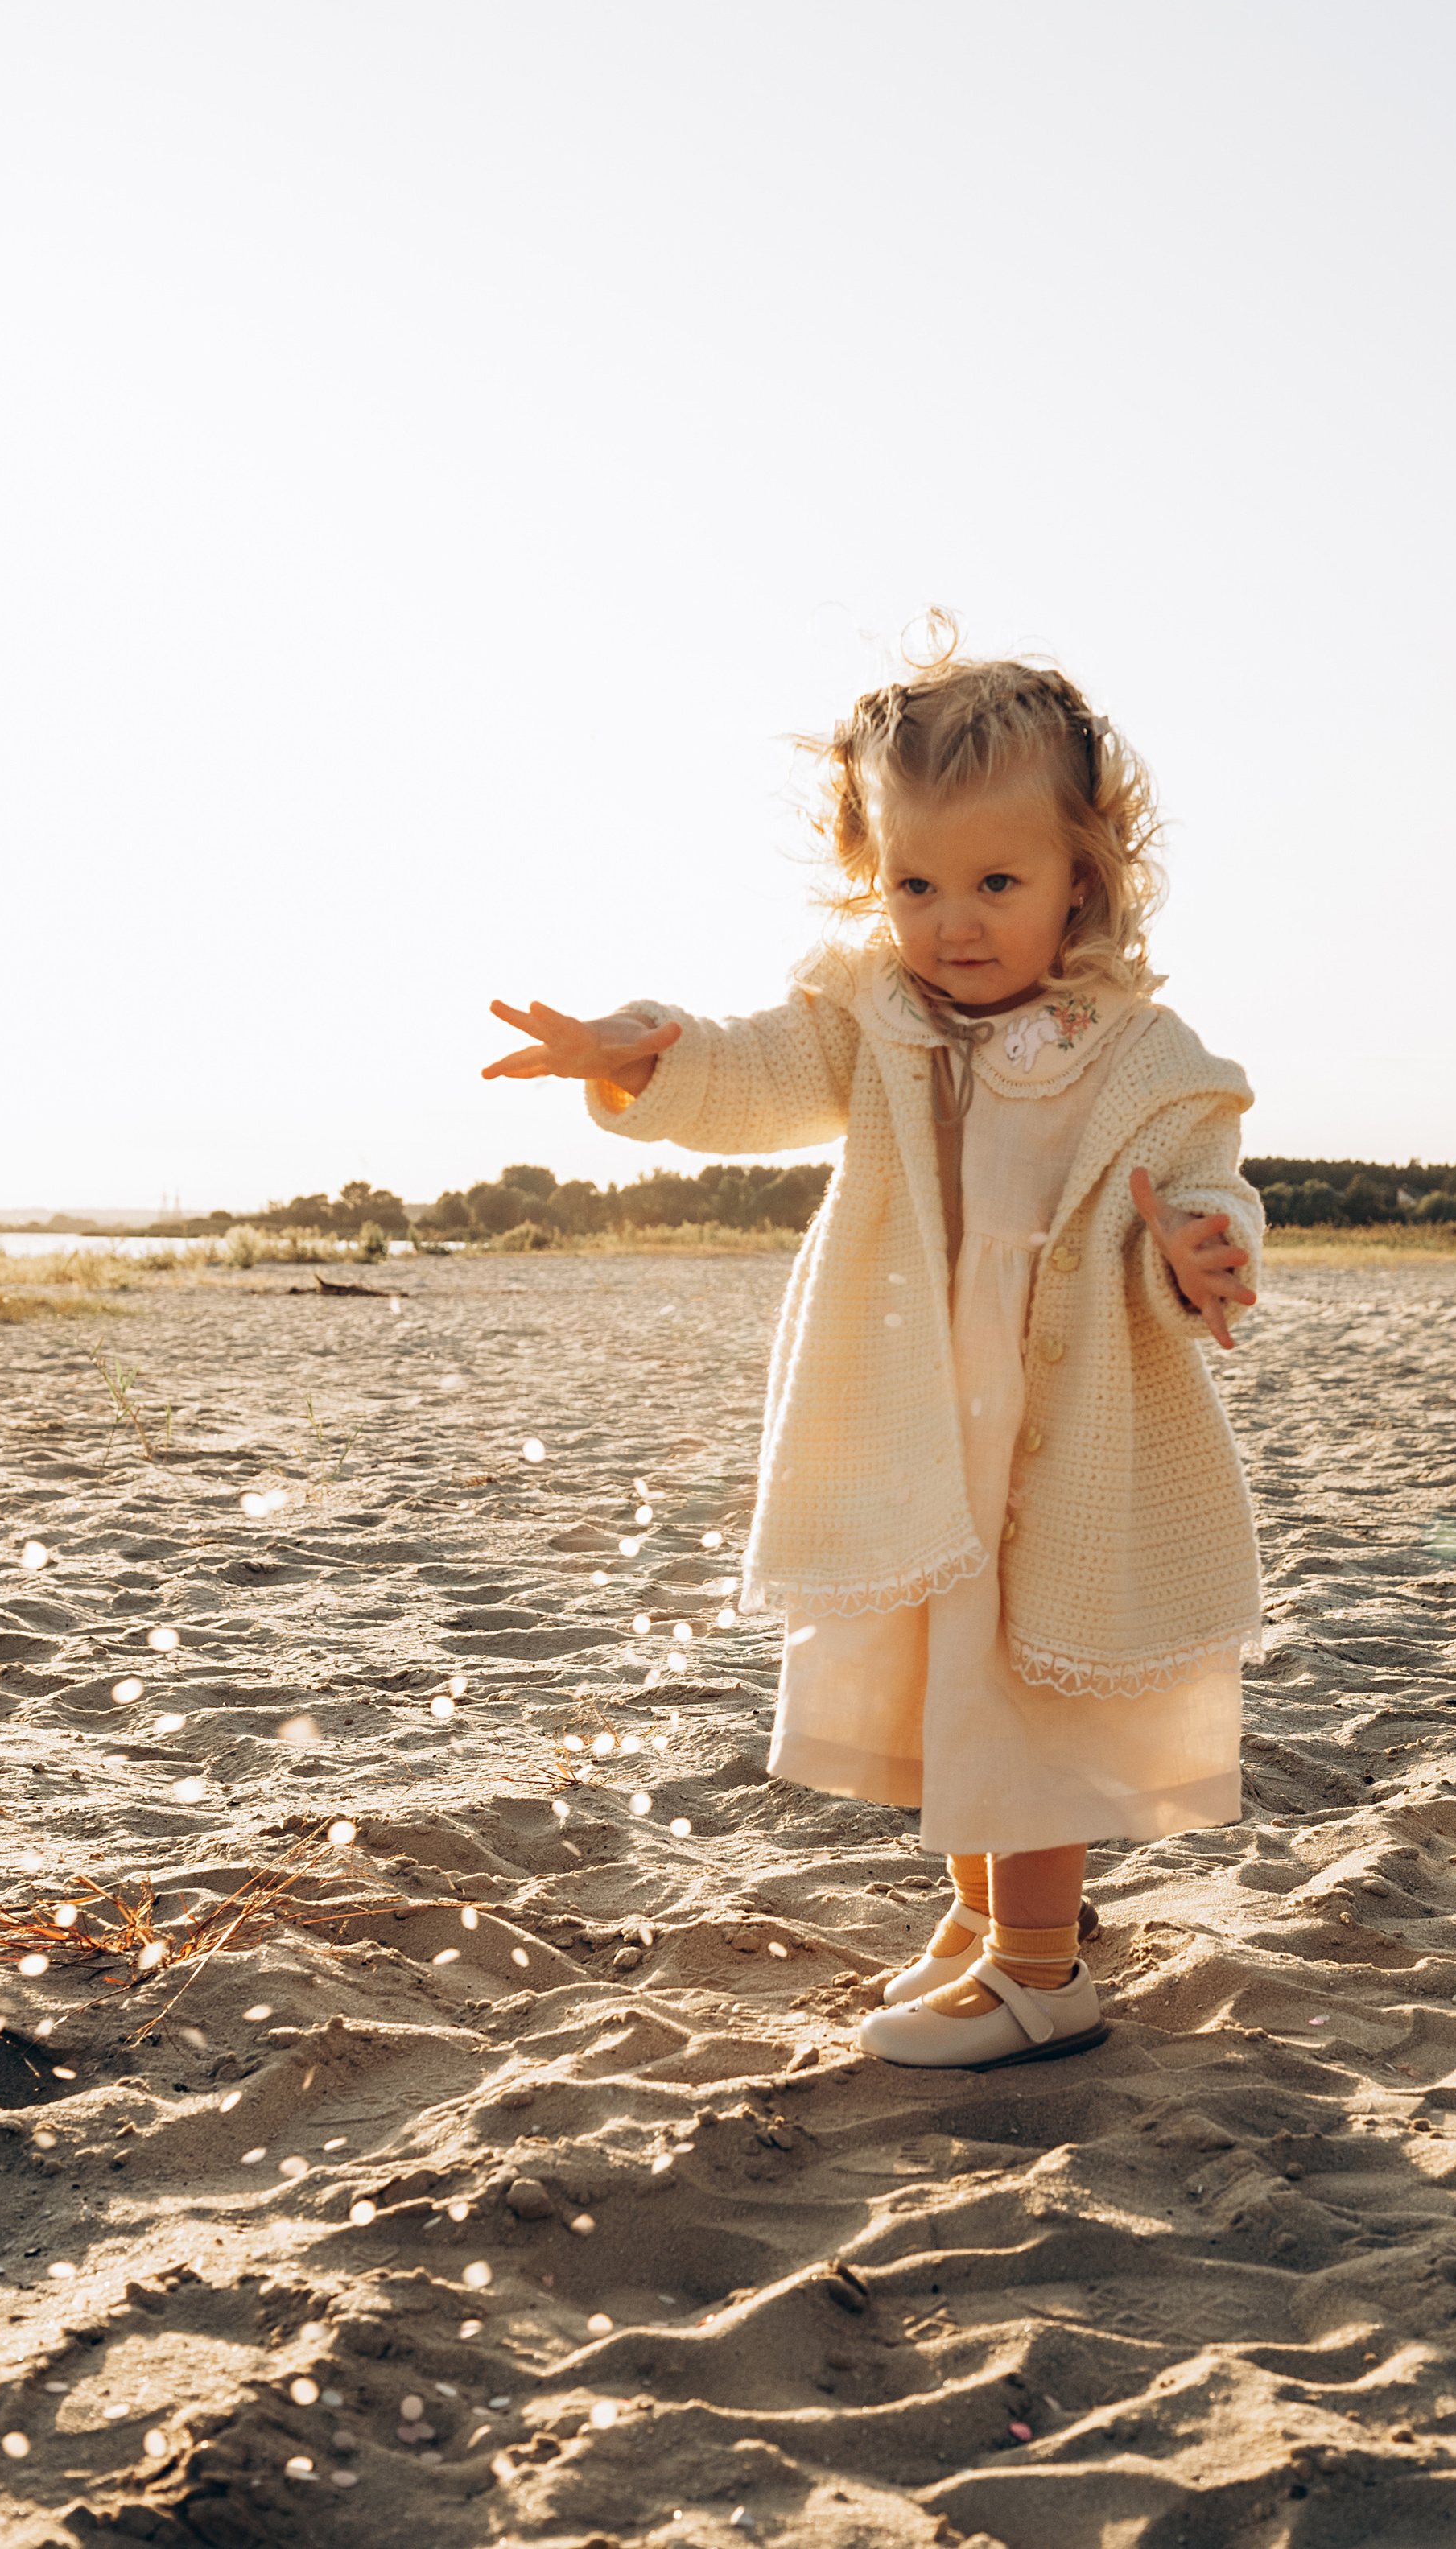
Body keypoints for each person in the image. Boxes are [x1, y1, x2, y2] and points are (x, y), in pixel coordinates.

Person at [482, 632, 1262, 2074]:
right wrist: (636, 1053)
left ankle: (1042, 1968)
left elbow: (1199, 1183)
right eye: (916, 883)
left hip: (1057, 1423)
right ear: (873, 873)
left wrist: (1201, 1250)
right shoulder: (875, 1019)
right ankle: (982, 1926)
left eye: (996, 883)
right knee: (953, 1680)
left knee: (1029, 1689)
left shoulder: (1140, 1052)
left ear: (1079, 876)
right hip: (922, 1423)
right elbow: (754, 1069)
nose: (953, 922)